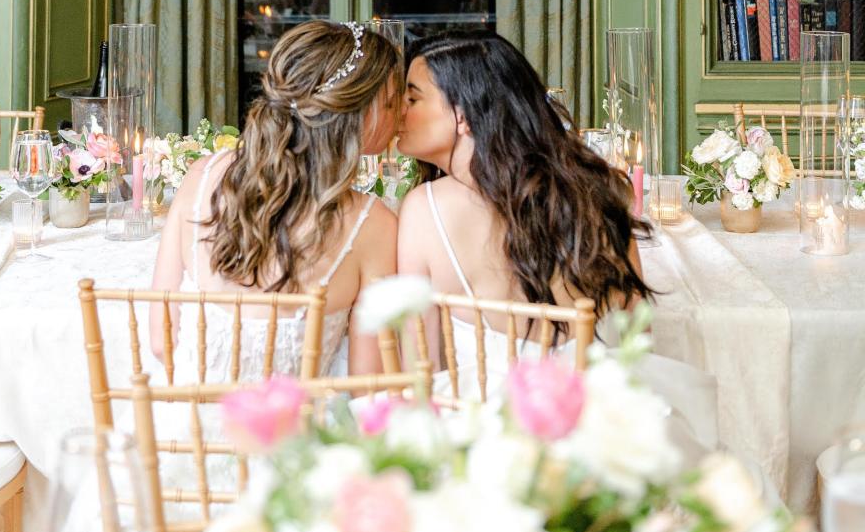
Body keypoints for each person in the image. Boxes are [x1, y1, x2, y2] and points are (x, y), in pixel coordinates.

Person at [150, 19, 400, 380]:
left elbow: (162, 342)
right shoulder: (373, 224)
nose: (401, 114)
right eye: (392, 102)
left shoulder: (201, 176)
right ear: (362, 111)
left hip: (182, 429)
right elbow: (367, 382)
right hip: (292, 435)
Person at [396, 31, 650, 374]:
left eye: (412, 100)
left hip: (484, 422)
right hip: (600, 415)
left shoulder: (425, 209)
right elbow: (638, 339)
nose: (399, 111)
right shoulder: (600, 188)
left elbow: (418, 369)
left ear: (463, 115)